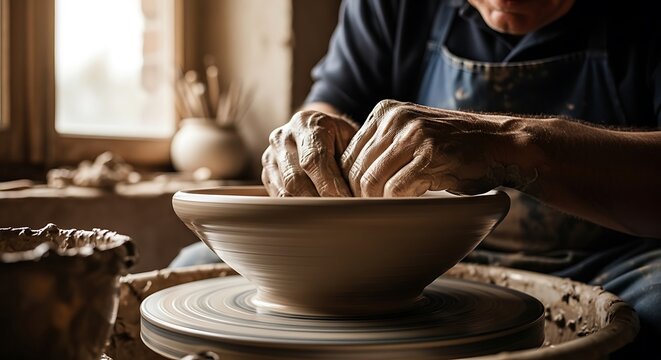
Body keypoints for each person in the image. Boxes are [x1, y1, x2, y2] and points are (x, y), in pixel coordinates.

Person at [174, 0, 661, 356]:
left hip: (608, 257)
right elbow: (329, 102)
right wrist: (310, 133)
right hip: (417, 261)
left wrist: (511, 144)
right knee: (198, 268)